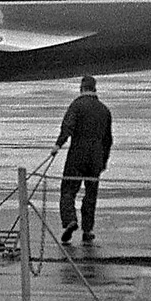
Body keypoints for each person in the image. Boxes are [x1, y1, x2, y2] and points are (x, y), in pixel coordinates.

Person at [51, 75, 113, 244]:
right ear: (95, 88)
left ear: (82, 88)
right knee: (91, 195)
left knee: (68, 191)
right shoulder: (104, 110)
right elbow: (108, 139)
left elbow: (67, 127)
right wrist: (103, 161)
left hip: (77, 155)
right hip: (96, 158)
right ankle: (87, 230)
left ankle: (70, 220)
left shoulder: (77, 106)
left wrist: (58, 145)